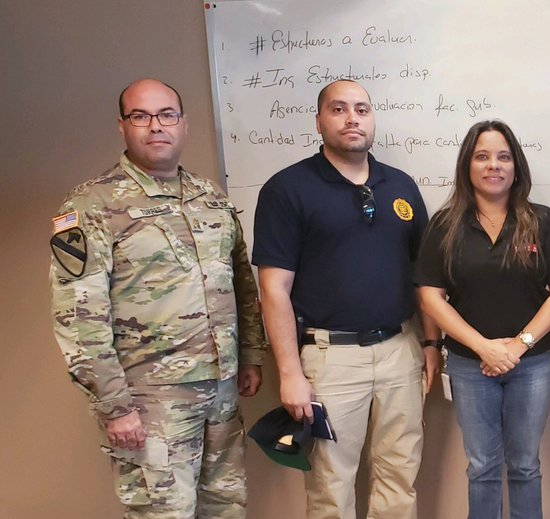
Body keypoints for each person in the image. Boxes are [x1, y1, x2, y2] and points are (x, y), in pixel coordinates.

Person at [49, 78, 267, 518]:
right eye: (140, 116)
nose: (156, 126)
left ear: (183, 124)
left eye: (167, 115)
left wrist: (250, 354)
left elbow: (241, 282)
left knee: (226, 507)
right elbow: (80, 317)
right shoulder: (92, 205)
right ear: (122, 126)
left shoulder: (210, 197)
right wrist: (114, 406)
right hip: (150, 399)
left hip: (221, 388)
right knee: (164, 512)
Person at [253, 79, 439, 519]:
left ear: (373, 119)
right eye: (338, 109)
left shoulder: (401, 186)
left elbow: (424, 277)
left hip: (400, 349)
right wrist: (290, 373)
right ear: (318, 121)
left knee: (399, 479)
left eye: (362, 109)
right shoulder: (287, 189)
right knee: (331, 487)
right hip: (330, 358)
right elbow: (273, 289)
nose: (352, 118)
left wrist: (430, 343)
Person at [415, 120, 550, 519]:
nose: (494, 165)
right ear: (467, 166)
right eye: (482, 157)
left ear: (516, 166)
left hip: (533, 363)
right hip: (470, 365)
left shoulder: (541, 220)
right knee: (482, 467)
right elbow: (430, 297)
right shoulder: (445, 225)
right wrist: (483, 347)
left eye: (504, 157)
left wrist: (518, 346)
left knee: (525, 466)